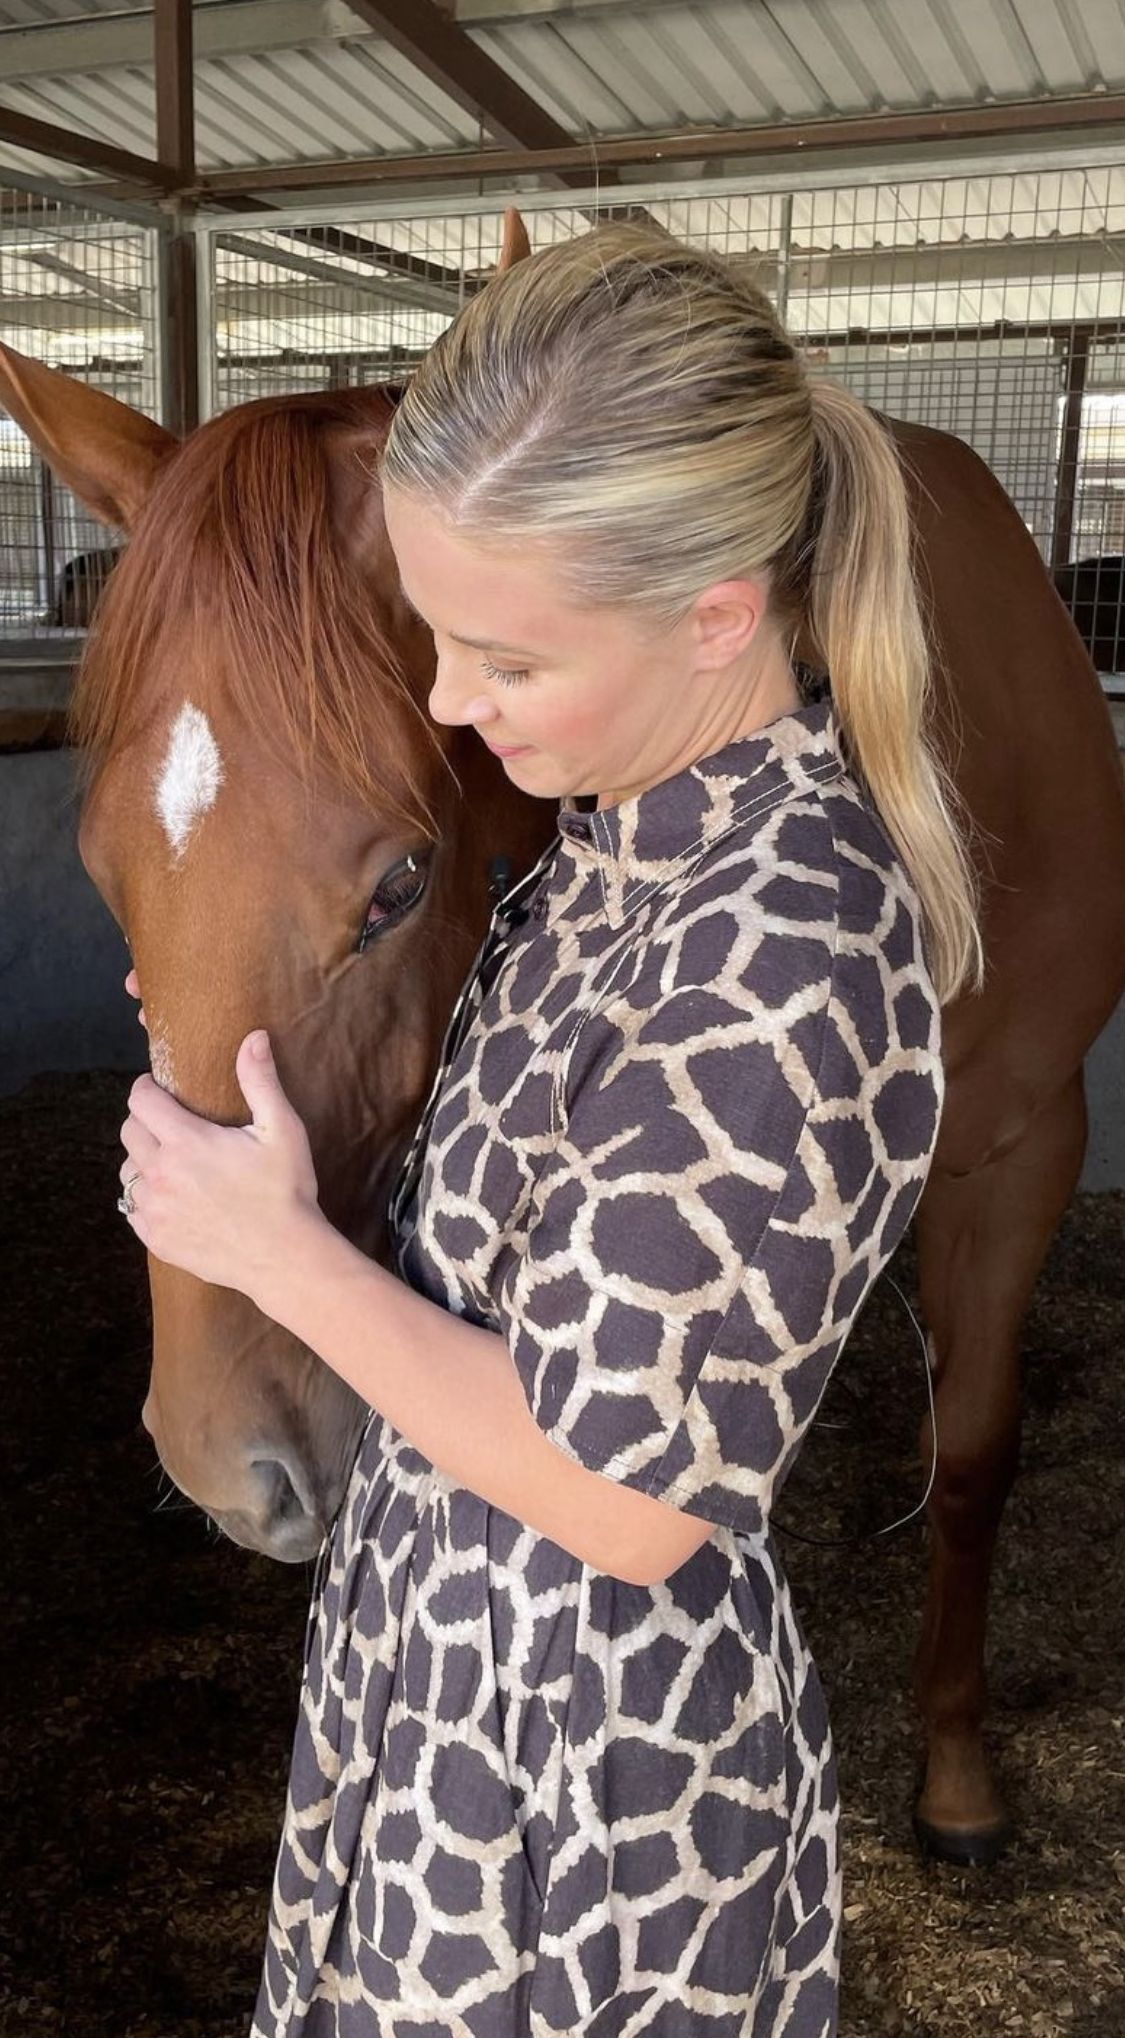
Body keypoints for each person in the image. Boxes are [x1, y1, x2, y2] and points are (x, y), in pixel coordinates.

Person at [117, 224, 980, 2037]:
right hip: (442, 1685)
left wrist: (273, 1251)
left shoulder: (787, 943)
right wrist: (221, 988)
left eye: (500, 654)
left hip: (592, 1798)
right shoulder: (602, 849)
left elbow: (625, 1499)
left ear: (714, 614)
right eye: (439, 636)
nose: (447, 700)